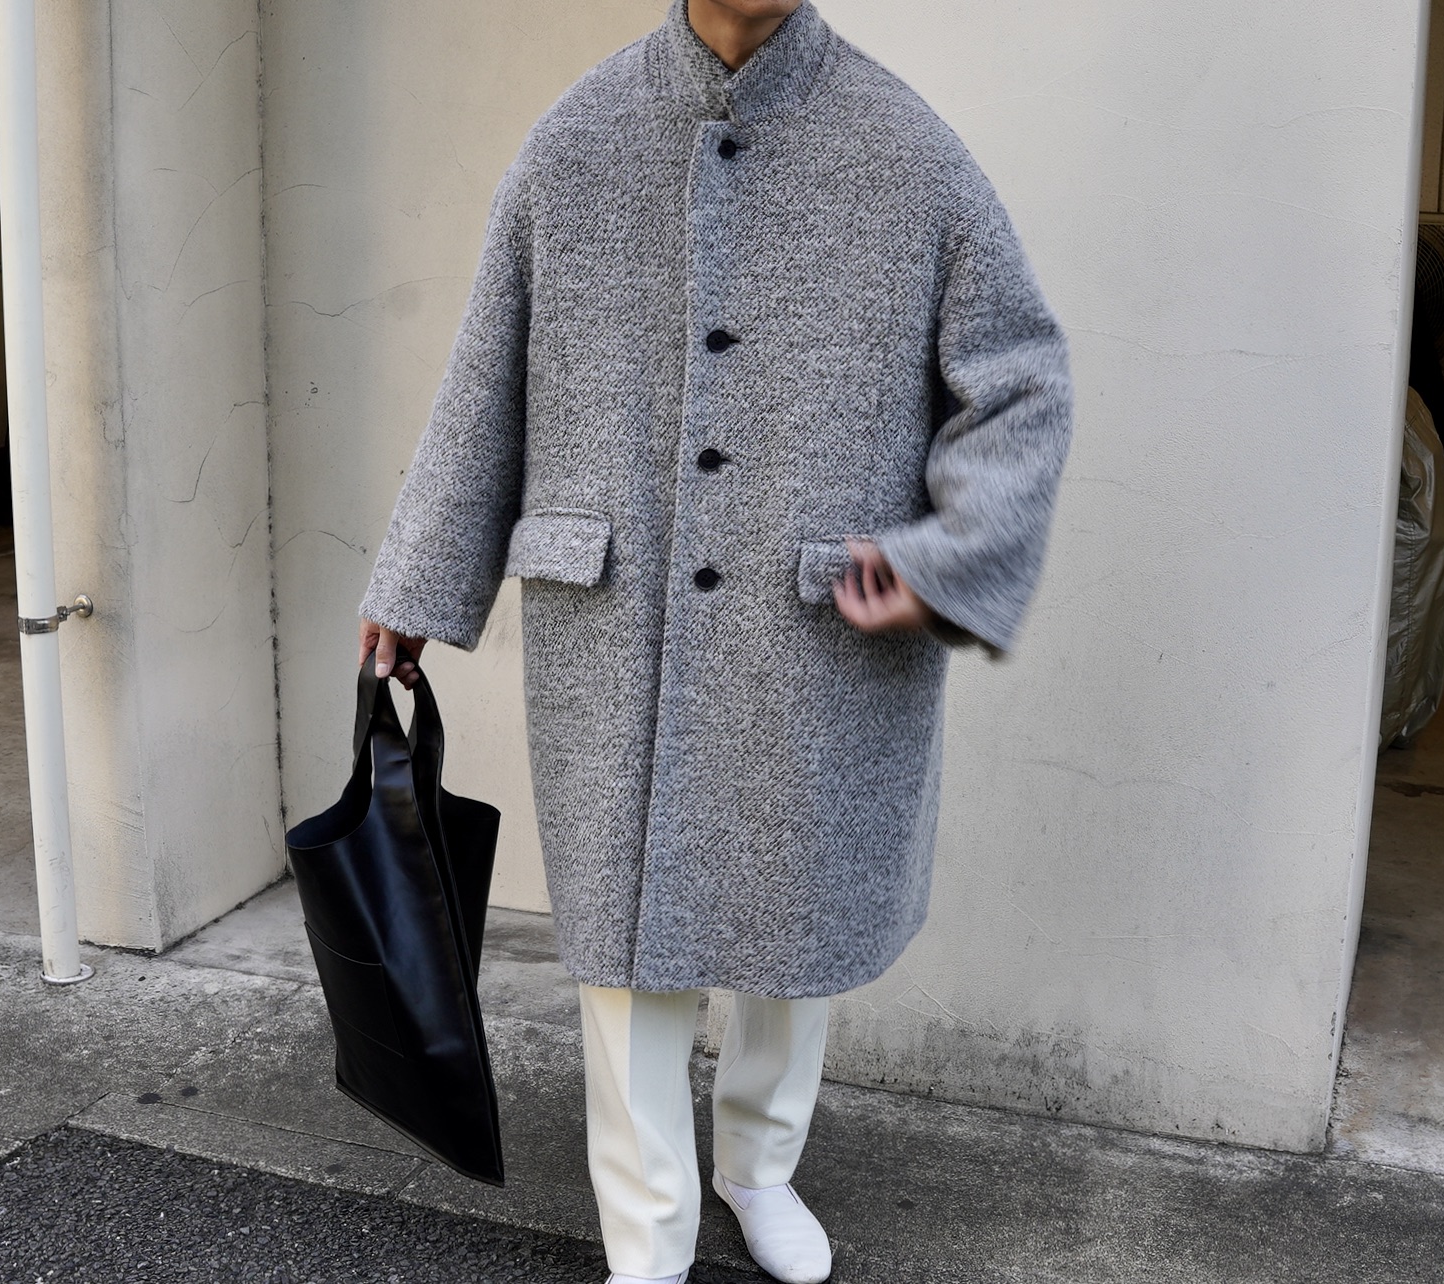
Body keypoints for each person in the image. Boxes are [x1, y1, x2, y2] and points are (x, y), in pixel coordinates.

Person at [356, 2, 1071, 1280]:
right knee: (626, 949)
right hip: (616, 622)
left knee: (796, 928)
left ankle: (760, 1167)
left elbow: (1020, 385)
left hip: (817, 632)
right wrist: (419, 576)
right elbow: (487, 375)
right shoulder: (578, 138)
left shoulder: (907, 150)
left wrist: (944, 562)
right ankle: (648, 1235)